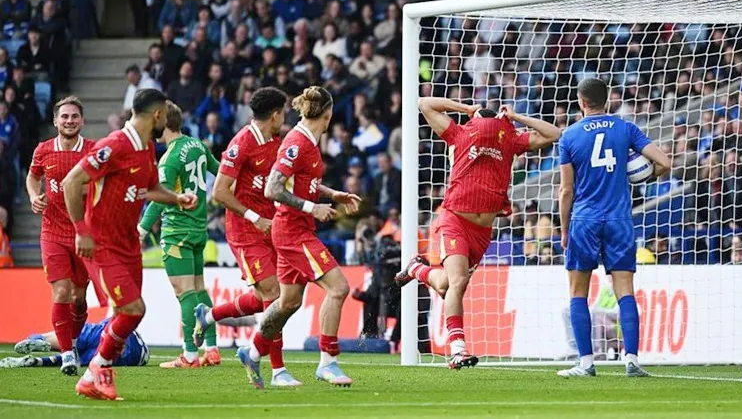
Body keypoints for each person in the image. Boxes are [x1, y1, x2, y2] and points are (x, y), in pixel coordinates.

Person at [395, 97, 561, 369]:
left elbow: (554, 134)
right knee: (458, 282)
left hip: (483, 231)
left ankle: (417, 270)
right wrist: (466, 109)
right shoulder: (459, 133)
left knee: (448, 285)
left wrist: (518, 116)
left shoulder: (510, 141)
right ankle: (458, 349)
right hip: (455, 220)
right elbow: (424, 103)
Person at [62, 89, 198, 400]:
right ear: (158, 115)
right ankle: (99, 368)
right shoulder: (114, 145)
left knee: (132, 312)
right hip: (101, 244)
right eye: (165, 112)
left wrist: (176, 198)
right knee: (133, 309)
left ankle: (90, 376)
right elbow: (72, 181)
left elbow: (149, 187)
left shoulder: (147, 146)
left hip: (128, 244)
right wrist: (81, 230)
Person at [555, 78, 670, 378]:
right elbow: (664, 163)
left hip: (585, 219)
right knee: (625, 291)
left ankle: (586, 364)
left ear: (581, 101)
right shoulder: (625, 128)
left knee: (577, 292)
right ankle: (631, 359)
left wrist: (564, 229)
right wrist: (641, 178)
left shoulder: (569, 136)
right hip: (619, 219)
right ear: (607, 100)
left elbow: (566, 191)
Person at [247, 86, 361, 387]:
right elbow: (272, 189)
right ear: (328, 113)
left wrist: (332, 193)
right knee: (338, 288)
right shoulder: (297, 143)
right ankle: (328, 362)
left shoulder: (307, 141)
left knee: (288, 302)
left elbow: (302, 182)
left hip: (293, 229)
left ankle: (254, 349)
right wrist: (314, 207)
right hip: (293, 230)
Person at [193, 87, 302, 388]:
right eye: (284, 113)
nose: (285, 118)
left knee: (263, 300)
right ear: (276, 114)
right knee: (275, 296)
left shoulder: (276, 142)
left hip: (272, 226)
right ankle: (277, 370)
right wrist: (255, 217)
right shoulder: (241, 143)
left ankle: (209, 315)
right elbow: (219, 192)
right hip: (245, 231)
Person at [137, 101, 220, 368]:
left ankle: (190, 355)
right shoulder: (198, 145)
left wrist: (142, 228)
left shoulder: (169, 157)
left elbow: (160, 198)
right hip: (198, 229)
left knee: (185, 293)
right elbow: (221, 172)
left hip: (177, 232)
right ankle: (212, 347)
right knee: (198, 289)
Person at [24, 96, 96, 376]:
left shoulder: (93, 151)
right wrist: (33, 196)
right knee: (62, 292)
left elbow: (104, 183)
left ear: (82, 120)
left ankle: (73, 342)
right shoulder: (43, 150)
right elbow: (32, 177)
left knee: (79, 298)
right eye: (64, 116)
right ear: (55, 121)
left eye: (74, 116)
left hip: (82, 234)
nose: (69, 121)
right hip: (52, 231)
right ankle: (67, 354)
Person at [1, 319, 149, 369]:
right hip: (130, 355)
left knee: (71, 342)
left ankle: (38, 339)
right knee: (78, 359)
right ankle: (40, 361)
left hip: (107, 332)